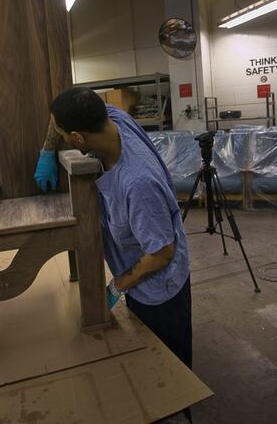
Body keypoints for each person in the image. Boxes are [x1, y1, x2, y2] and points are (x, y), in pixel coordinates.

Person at [42, 87, 192, 374]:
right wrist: (47, 150)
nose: (60, 139)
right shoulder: (113, 117)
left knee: (170, 365)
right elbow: (62, 113)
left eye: (62, 136)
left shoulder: (137, 185)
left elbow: (161, 253)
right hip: (142, 258)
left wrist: (117, 285)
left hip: (159, 287)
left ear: (78, 138)